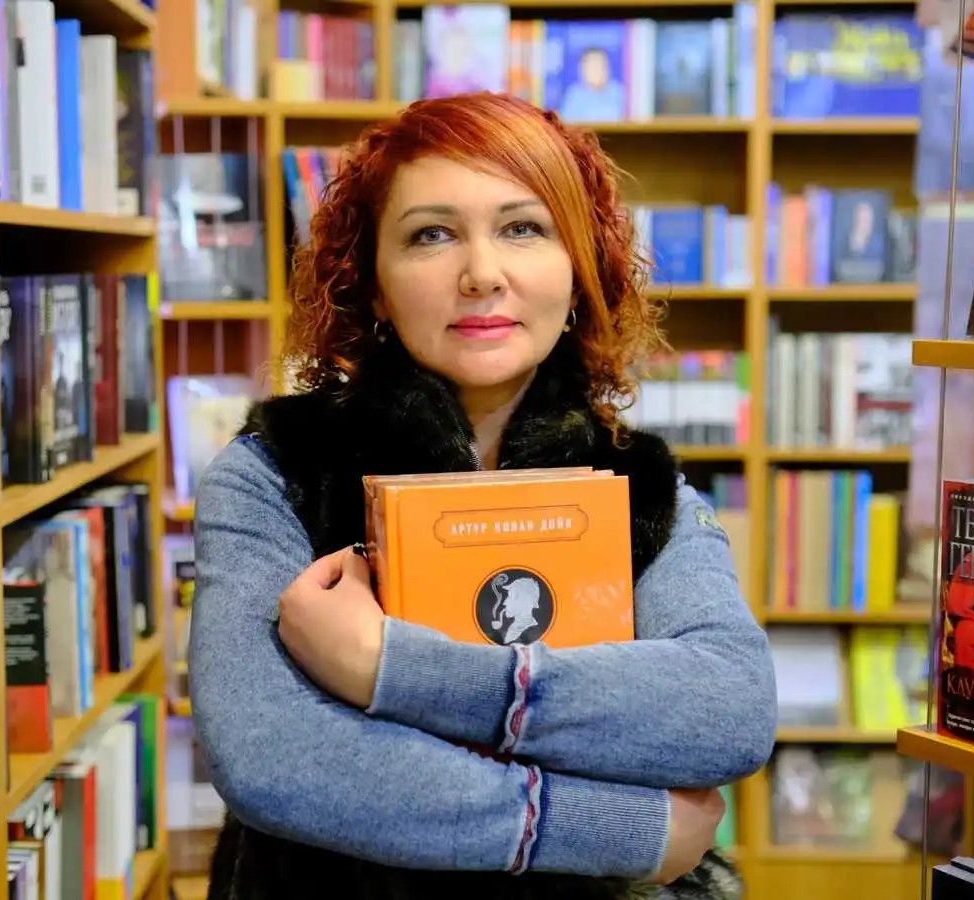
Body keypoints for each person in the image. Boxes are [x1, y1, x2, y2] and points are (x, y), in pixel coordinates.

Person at [188, 92, 778, 900]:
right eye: (431, 235)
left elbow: (727, 712)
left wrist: (386, 669)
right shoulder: (273, 474)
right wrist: (619, 827)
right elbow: (269, 755)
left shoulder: (639, 484)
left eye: (523, 228)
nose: (481, 275)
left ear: (578, 272)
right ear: (373, 284)